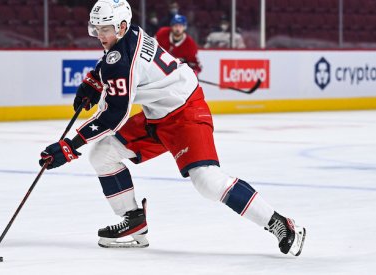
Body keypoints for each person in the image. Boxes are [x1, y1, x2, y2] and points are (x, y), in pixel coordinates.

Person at [39, 0, 306, 255]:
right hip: (157, 115)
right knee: (102, 154)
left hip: (185, 112)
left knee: (207, 182)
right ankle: (133, 221)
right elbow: (110, 62)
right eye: (96, 29)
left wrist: (69, 146)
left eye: (104, 29)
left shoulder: (122, 62)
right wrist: (94, 80)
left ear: (120, 27)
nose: (99, 35)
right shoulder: (127, 33)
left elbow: (112, 117)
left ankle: (280, 223)